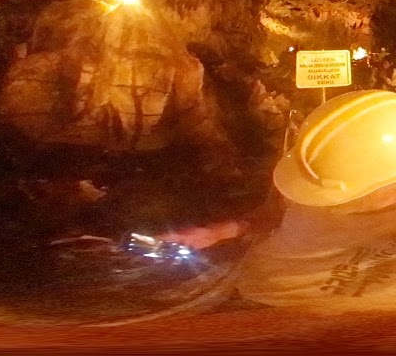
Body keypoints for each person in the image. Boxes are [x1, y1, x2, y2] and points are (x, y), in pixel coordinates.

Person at [164, 89, 396, 311]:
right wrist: (220, 231)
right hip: (243, 297)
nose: (323, 203)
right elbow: (276, 212)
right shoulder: (319, 176)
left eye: (347, 197)